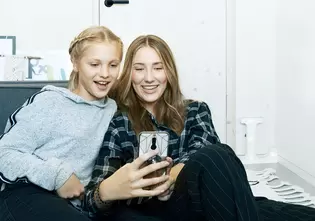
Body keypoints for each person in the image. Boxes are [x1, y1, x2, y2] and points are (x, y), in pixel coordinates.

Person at [82, 34, 315, 221]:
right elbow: (92, 201)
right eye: (140, 68)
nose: (149, 78)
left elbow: (207, 158)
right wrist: (112, 188)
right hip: (149, 209)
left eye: (158, 67)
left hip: (204, 200)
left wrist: (170, 175)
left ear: (169, 72)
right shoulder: (117, 120)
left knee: (218, 156)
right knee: (220, 162)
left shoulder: (195, 110)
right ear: (129, 73)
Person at [0, 26, 127, 221]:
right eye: (94, 64)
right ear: (76, 63)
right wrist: (58, 175)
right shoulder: (50, 102)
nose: (105, 73)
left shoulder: (112, 110)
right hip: (26, 193)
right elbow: (4, 153)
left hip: (74, 206)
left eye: (113, 65)